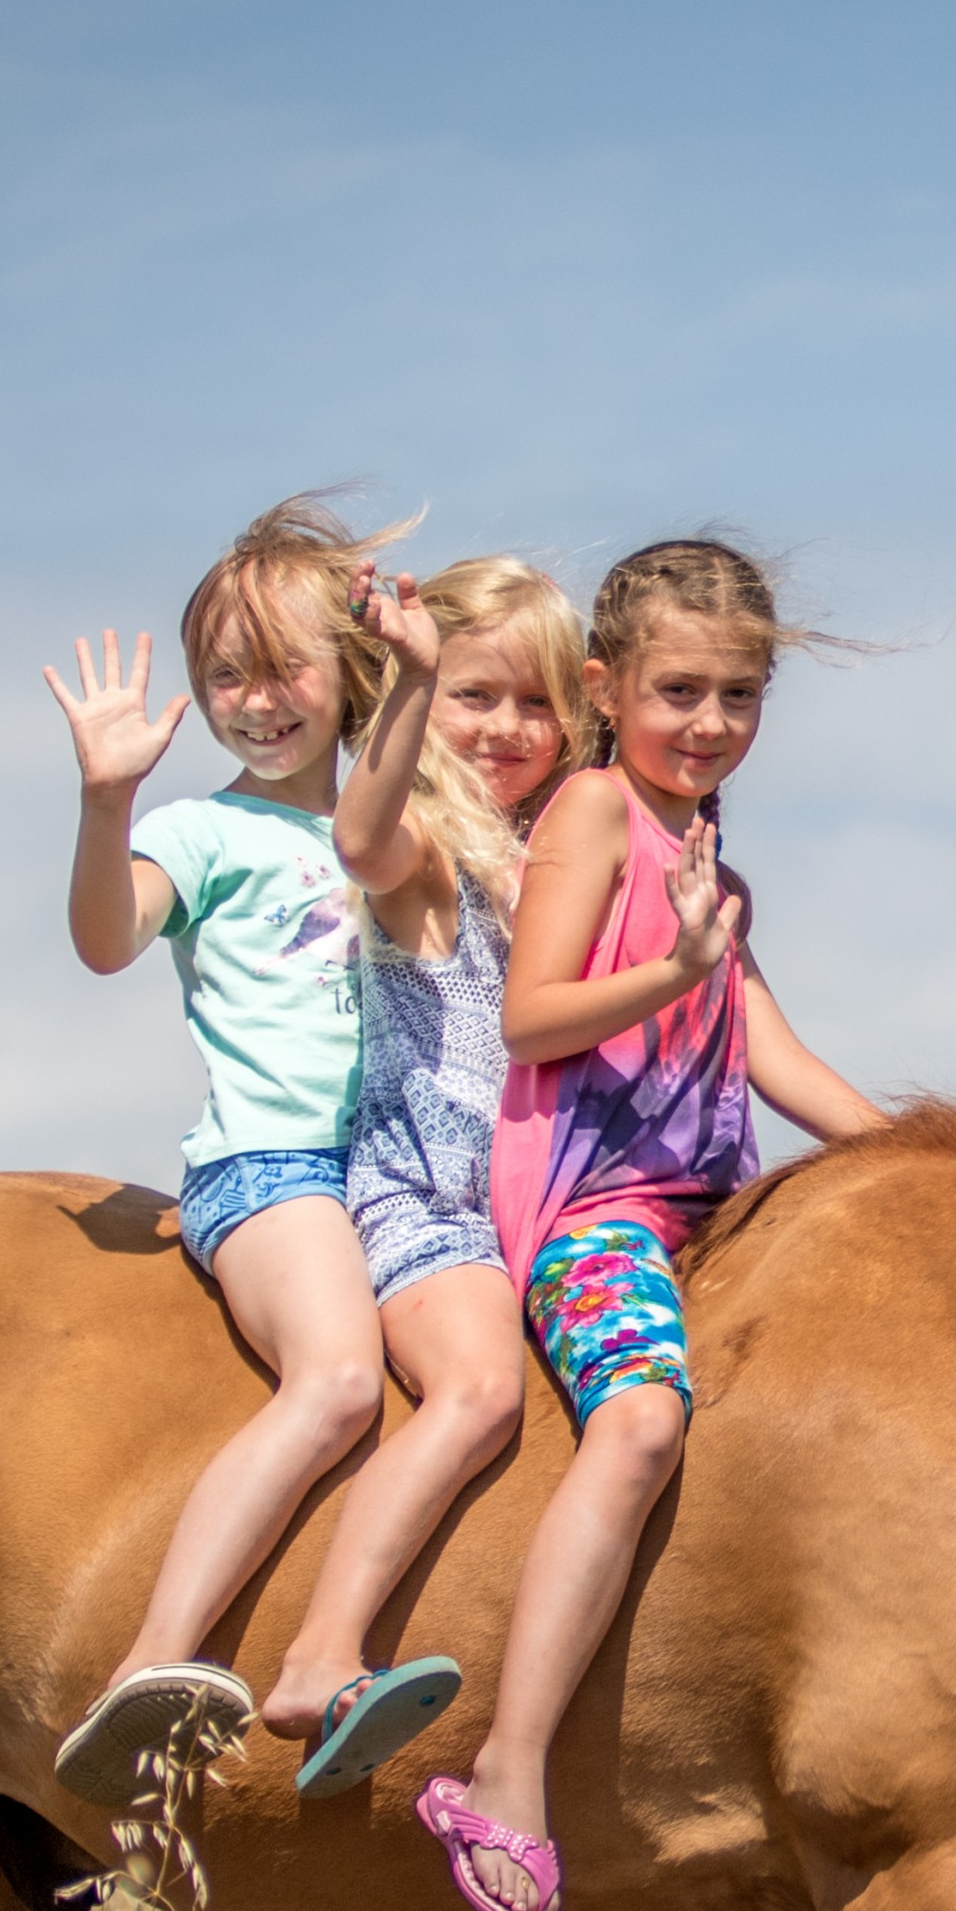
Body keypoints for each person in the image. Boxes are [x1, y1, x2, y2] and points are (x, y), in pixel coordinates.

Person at [418, 539, 886, 1911]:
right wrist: (674, 967)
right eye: (680, 689)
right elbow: (536, 1013)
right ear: (608, 688)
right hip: (592, 1206)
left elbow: (771, 1052)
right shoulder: (593, 817)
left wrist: (928, 1155)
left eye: (740, 696)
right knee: (632, 1425)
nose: (710, 723)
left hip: (709, 1200)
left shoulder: (702, 854)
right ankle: (506, 1769)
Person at [39, 496, 406, 1807]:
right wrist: (105, 800)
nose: (258, 699)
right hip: (273, 1166)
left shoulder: (379, 822)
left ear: (348, 672)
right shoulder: (203, 831)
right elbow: (103, 936)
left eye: (285, 665)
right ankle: (152, 1659)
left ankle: (340, 1647)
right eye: (227, 674)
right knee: (337, 1387)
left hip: (395, 1178)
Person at [262, 559, 594, 1793]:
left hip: (531, 1200)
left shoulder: (546, 849)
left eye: (538, 702)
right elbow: (361, 835)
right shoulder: (429, 845)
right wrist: (405, 689)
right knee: (474, 1391)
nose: (507, 727)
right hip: (426, 1193)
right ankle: (319, 1652)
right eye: (474, 694)